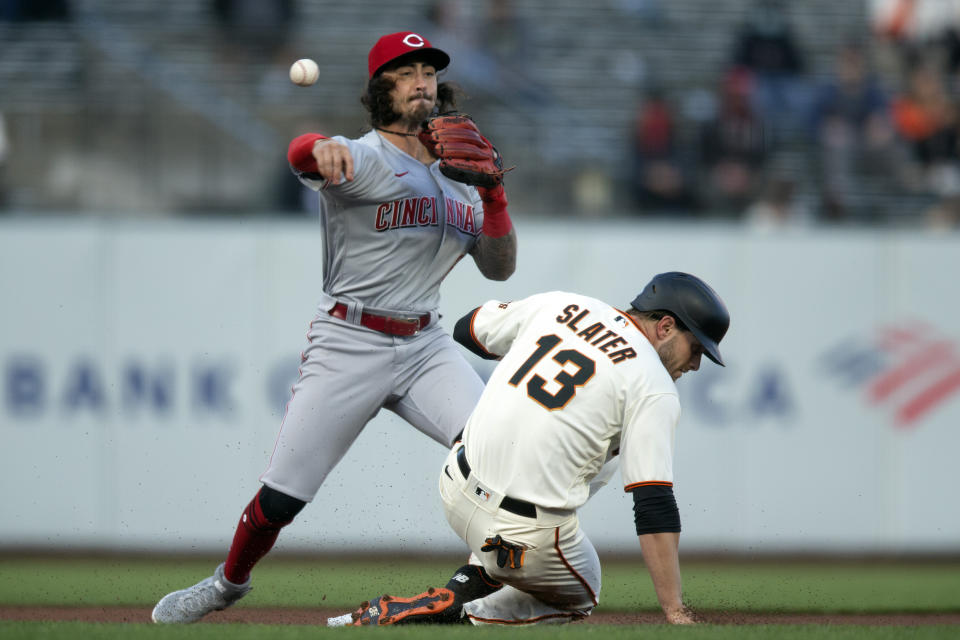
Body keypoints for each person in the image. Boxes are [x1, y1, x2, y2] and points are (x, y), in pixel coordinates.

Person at [150, 30, 518, 624]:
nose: (420, 79)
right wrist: (315, 146)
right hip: (350, 341)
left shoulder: (463, 176)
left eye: (427, 69)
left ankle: (488, 581)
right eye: (404, 72)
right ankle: (227, 583)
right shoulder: (362, 155)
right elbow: (303, 152)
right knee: (281, 497)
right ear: (381, 90)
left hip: (426, 345)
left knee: (501, 454)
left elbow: (500, 269)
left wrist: (496, 196)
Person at [328, 271, 730, 626]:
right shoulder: (654, 387)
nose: (695, 365)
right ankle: (457, 613)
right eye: (695, 348)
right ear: (664, 326)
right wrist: (675, 609)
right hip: (524, 534)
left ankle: (460, 588)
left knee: (592, 446)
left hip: (454, 486)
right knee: (584, 590)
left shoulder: (564, 304)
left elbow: (467, 329)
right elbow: (653, 502)